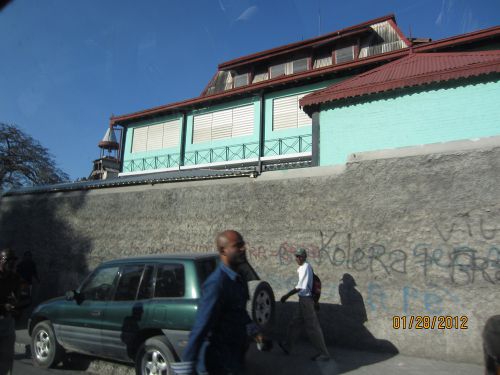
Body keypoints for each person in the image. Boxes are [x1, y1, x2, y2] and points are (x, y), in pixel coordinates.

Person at [172, 230, 264, 375]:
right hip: (217, 363)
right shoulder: (216, 284)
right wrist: (187, 364)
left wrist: (254, 331)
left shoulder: (237, 278)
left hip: (233, 358)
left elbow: (238, 311)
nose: (243, 248)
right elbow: (201, 326)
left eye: (243, 244)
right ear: (223, 250)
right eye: (238, 245)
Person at [278, 248, 330, 361]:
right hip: (304, 300)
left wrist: (286, 296)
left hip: (306, 300)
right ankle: (287, 346)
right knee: (295, 323)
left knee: (313, 327)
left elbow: (301, 287)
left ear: (304, 257)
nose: (297, 258)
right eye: (296, 256)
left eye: (300, 256)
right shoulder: (304, 267)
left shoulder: (305, 267)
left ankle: (324, 354)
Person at [0, 249, 30, 375]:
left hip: (7, 322)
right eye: (8, 260)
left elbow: (26, 297)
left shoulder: (15, 278)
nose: (11, 264)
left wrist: (17, 307)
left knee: (7, 358)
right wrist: (2, 306)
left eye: (13, 261)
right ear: (1, 260)